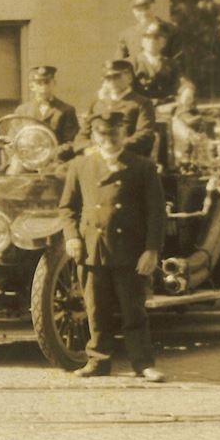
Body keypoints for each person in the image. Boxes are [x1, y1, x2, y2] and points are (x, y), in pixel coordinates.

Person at [59, 108, 167, 382]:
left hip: (129, 250)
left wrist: (151, 250)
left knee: (133, 310)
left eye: (115, 133)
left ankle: (143, 364)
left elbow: (156, 213)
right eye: (103, 133)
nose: (109, 138)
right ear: (94, 135)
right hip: (92, 248)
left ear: (125, 133)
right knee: (96, 309)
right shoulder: (80, 166)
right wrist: (72, 237)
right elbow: (67, 207)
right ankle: (98, 360)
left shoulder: (142, 167)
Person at [90, 56, 158, 166]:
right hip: (95, 156)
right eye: (108, 78)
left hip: (126, 158)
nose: (112, 82)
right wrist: (88, 148)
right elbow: (82, 135)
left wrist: (113, 147)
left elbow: (144, 135)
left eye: (117, 77)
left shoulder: (142, 103)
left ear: (129, 77)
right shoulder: (97, 104)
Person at [14, 63, 81, 154]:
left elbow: (71, 142)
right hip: (28, 157)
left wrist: (52, 153)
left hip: (55, 157)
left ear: (54, 84)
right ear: (32, 86)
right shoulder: (22, 111)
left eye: (47, 82)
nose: (44, 87)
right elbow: (14, 137)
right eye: (39, 83)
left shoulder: (66, 110)